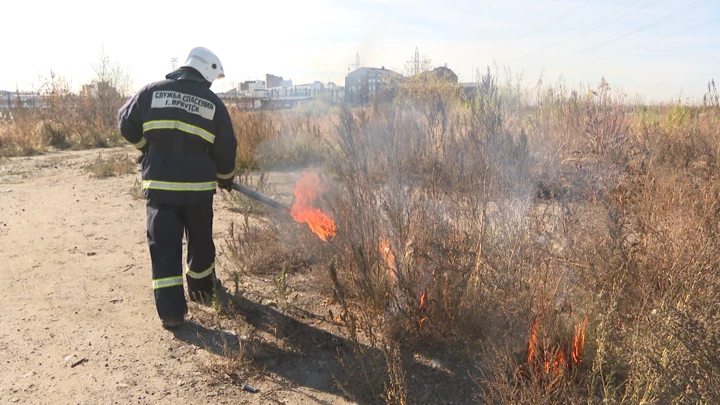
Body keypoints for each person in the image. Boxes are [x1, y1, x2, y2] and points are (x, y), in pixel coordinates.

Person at [117, 47, 238, 329]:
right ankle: (202, 289)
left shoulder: (151, 92)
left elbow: (125, 122)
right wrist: (225, 176)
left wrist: (146, 147)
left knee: (164, 248)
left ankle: (171, 314)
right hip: (197, 190)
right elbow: (226, 147)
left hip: (160, 189)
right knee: (200, 240)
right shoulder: (213, 103)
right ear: (208, 71)